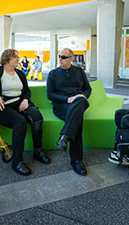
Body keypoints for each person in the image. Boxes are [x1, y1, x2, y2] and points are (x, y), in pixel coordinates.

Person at [0, 49, 51, 176]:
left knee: (37, 117)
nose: (18, 59)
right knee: (19, 122)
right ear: (7, 59)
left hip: (20, 103)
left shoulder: (20, 73)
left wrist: (25, 100)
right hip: (4, 107)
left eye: (18, 57)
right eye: (15, 57)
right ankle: (17, 162)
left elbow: (26, 91)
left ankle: (38, 151)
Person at [47, 48, 92, 176]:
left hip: (78, 103)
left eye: (64, 57)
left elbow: (88, 89)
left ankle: (64, 136)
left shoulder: (79, 71)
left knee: (79, 103)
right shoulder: (53, 74)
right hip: (61, 106)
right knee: (77, 119)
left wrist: (82, 96)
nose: (60, 59)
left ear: (72, 59)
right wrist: (67, 99)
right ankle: (76, 160)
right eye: (59, 56)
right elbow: (50, 95)